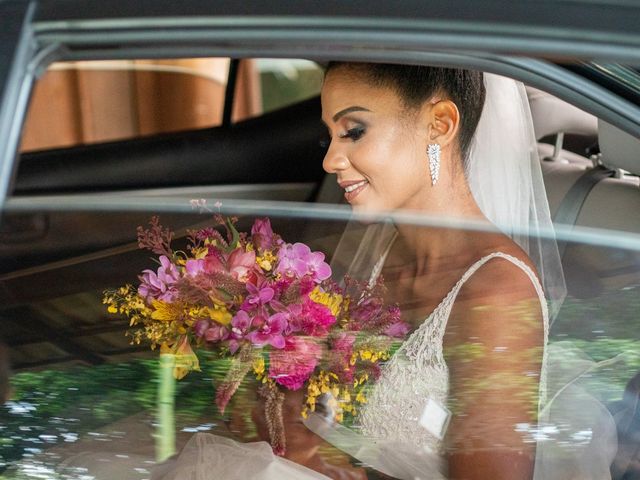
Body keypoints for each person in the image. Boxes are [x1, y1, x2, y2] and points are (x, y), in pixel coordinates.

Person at [154, 63, 580, 479]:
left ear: (439, 124)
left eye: (354, 131)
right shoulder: (383, 252)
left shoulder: (496, 292)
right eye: (330, 136)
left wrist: (318, 458)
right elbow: (335, 416)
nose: (331, 160)